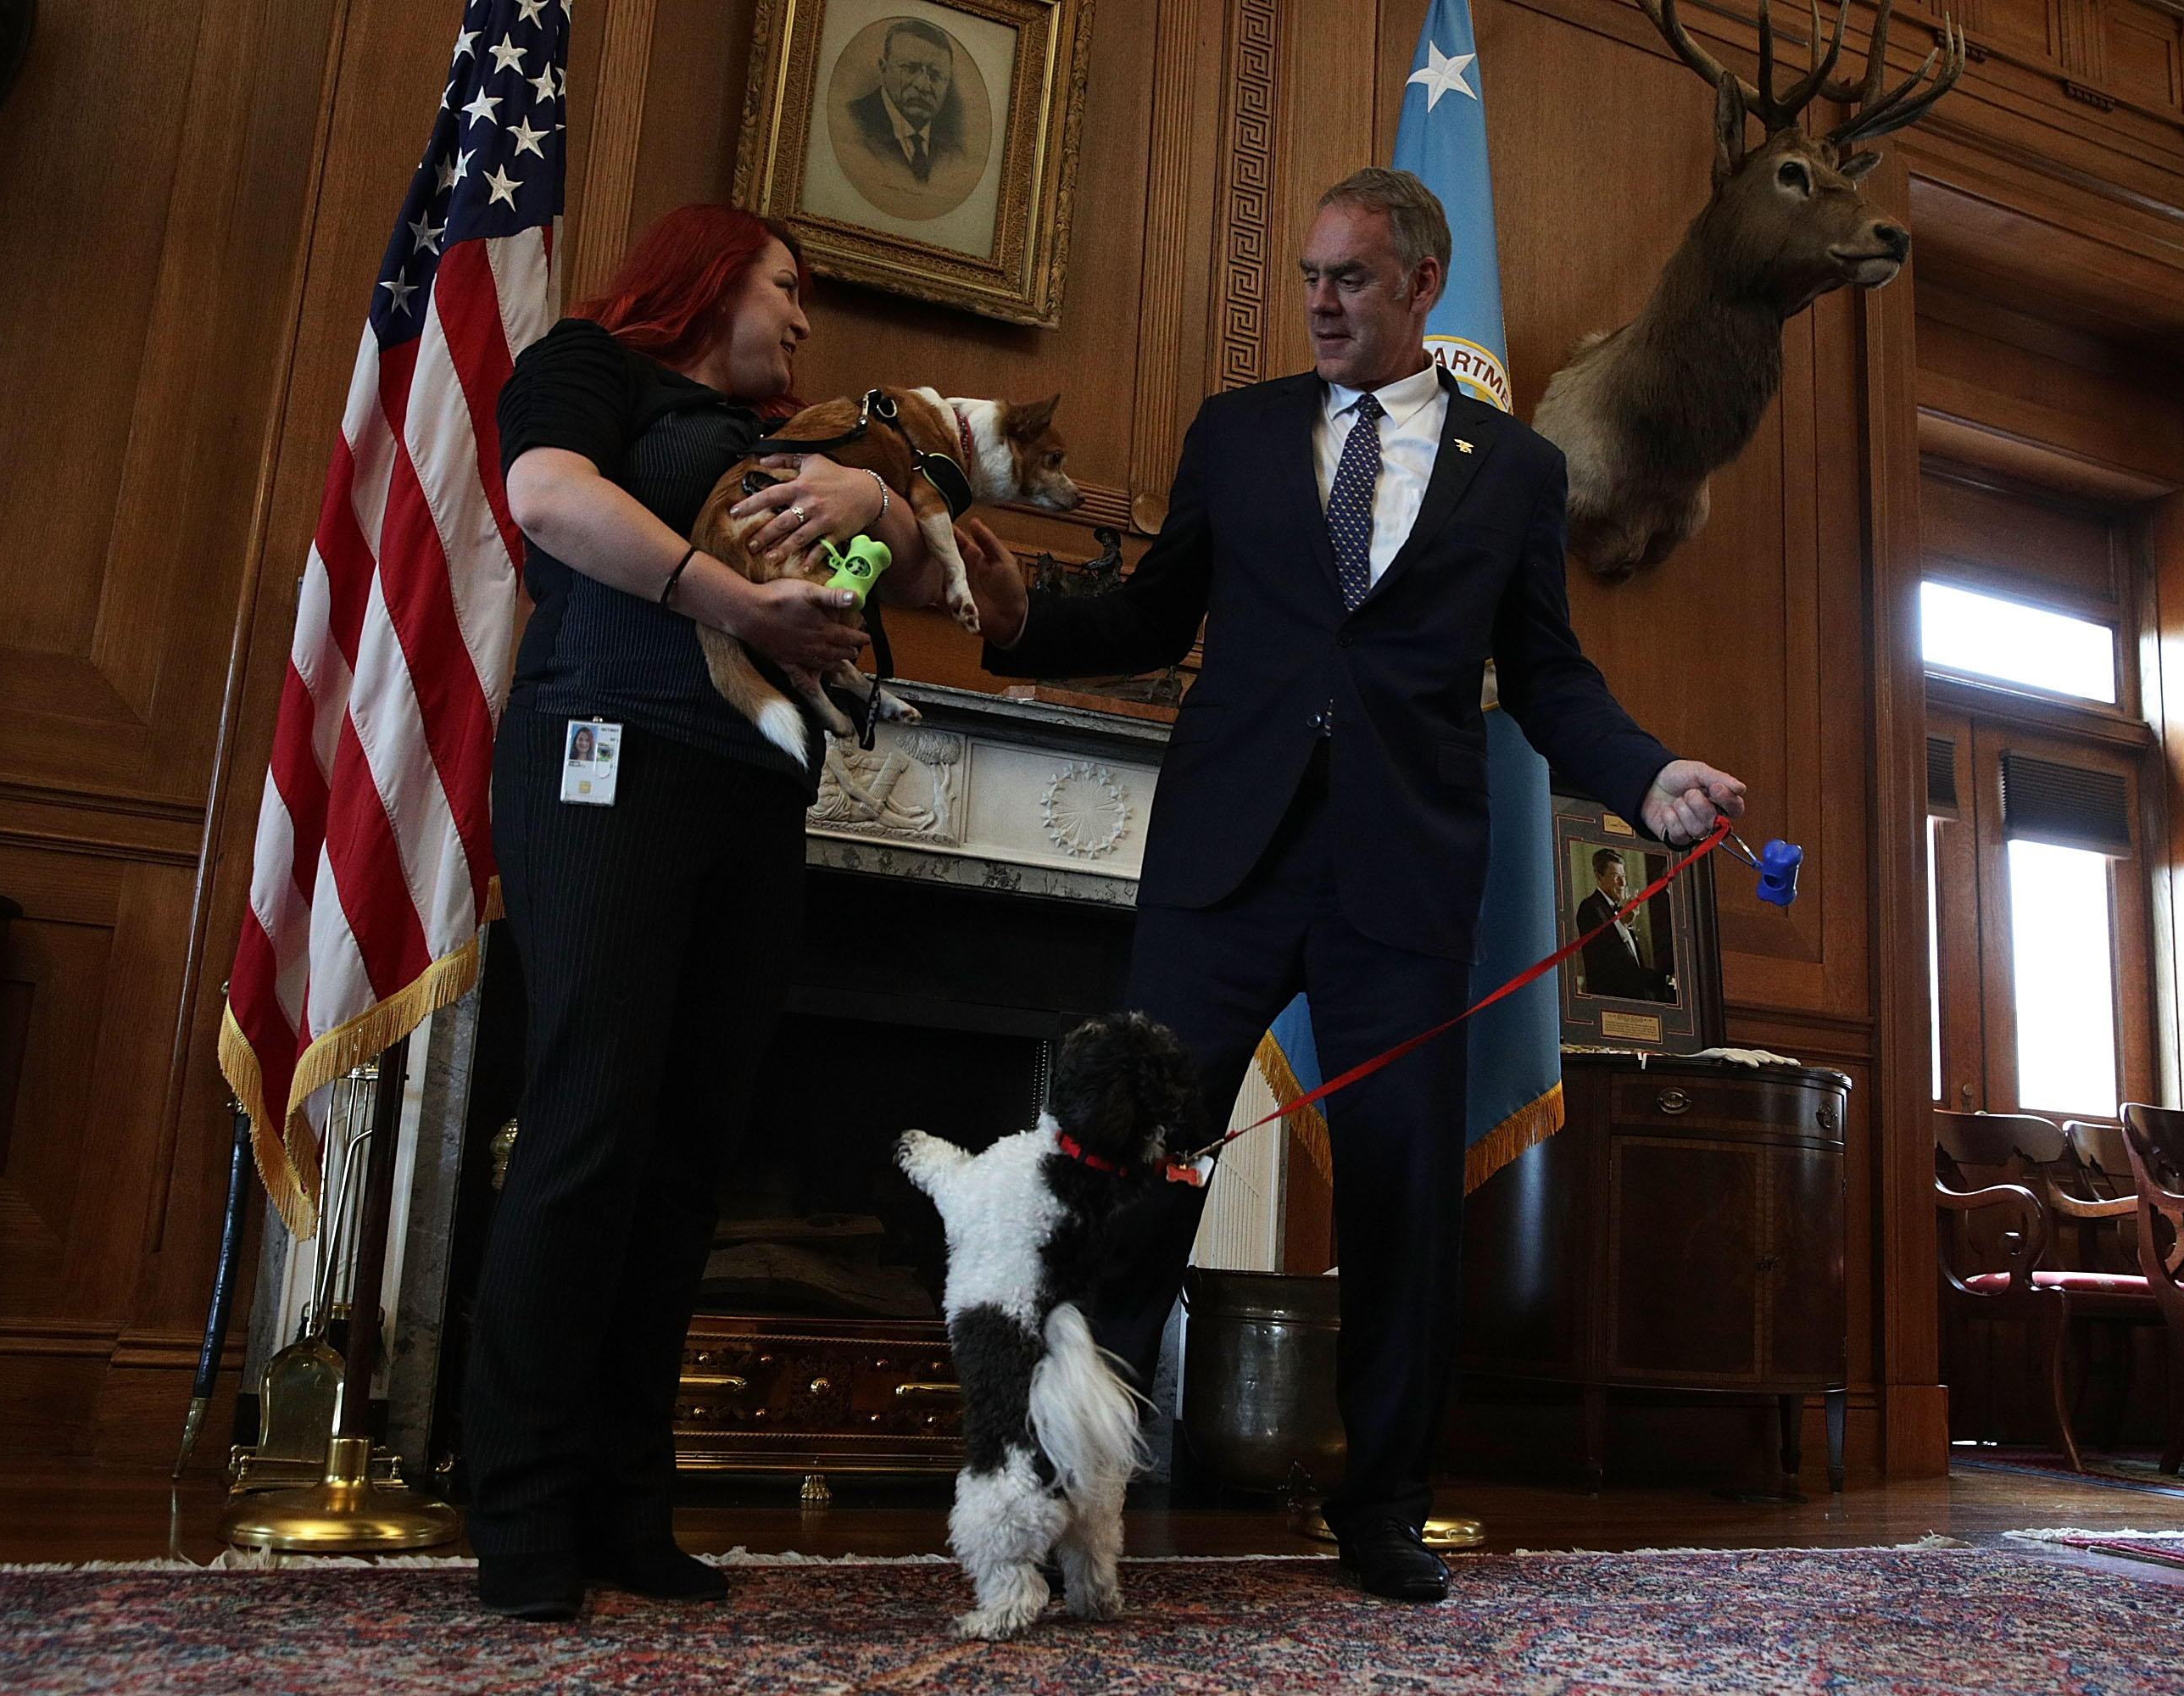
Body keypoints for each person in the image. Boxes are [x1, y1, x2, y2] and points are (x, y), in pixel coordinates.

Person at [956, 168, 1747, 1604]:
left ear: (1423, 286)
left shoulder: (1515, 472)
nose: (1320, 303)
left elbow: (1552, 679)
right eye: (1311, 277)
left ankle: (1382, 1505)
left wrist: (1646, 777)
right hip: (1228, 858)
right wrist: (1025, 626)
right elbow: (1153, 608)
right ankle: (1065, 1497)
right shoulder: (1241, 433)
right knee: (1133, 1181)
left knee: (1397, 1200)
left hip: (1402, 874)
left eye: (1352, 280)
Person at [467, 203, 949, 1622]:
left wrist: (872, 508)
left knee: (688, 1154)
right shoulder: (589, 366)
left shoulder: (786, 446)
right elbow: (549, 499)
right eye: (786, 287)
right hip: (600, 755)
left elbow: (923, 575)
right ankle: (523, 1507)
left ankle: (628, 1502)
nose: (803, 320)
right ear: (705, 272)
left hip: (751, 789)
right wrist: (731, 596)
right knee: (590, 1120)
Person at [849, 19, 966, 187]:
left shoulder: (954, 153)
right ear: (883, 69)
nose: (923, 86)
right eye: (910, 69)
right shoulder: (852, 125)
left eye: (935, 75)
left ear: (947, 84)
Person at [1576, 847, 1673, 1001]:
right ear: (1598, 876)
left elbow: (1634, 970)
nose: (1622, 883)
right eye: (1616, 877)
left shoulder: (1620, 911)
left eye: (1624, 876)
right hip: (1610, 1004)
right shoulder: (1590, 908)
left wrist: (1668, 981)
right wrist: (1622, 924)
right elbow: (1605, 961)